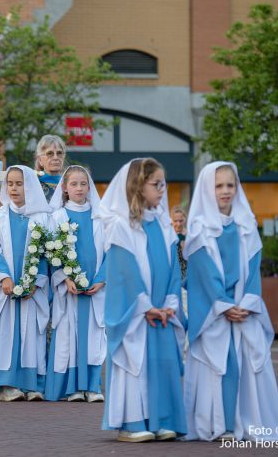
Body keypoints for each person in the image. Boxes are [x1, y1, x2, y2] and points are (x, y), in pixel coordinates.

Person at [182, 162, 278, 442]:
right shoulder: (200, 230)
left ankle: (249, 420)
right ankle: (221, 424)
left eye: (230, 185)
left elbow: (253, 268)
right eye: (219, 186)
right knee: (223, 364)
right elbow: (204, 273)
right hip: (214, 313)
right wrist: (224, 305)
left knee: (249, 363)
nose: (225, 191)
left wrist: (247, 303)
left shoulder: (246, 225)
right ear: (207, 190)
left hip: (243, 309)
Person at [98, 158, 186, 442]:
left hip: (162, 310)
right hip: (137, 313)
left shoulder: (163, 225)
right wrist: (145, 306)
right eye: (156, 184)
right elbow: (124, 273)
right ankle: (132, 423)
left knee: (161, 363)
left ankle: (162, 420)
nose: (162, 190)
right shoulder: (121, 226)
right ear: (138, 186)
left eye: (164, 184)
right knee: (135, 365)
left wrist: (170, 303)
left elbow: (173, 267)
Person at [0, 165, 52, 401]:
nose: (13, 188)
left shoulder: (42, 218)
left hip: (33, 290)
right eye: (10, 183)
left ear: (29, 186)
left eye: (19, 184)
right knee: (7, 334)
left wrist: (36, 281)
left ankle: (33, 385)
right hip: (7, 289)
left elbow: (46, 255)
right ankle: (7, 385)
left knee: (32, 335)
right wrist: (4, 277)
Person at [45, 166, 107, 402]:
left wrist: (101, 280)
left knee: (94, 336)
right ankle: (73, 388)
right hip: (70, 289)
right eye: (74, 184)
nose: (79, 188)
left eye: (83, 184)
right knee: (69, 336)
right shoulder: (58, 217)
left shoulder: (100, 217)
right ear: (64, 187)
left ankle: (92, 386)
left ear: (89, 187)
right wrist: (65, 277)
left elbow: (110, 251)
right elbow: (52, 253)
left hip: (95, 288)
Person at [35, 134, 67, 201]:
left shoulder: (70, 183)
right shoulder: (32, 183)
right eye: (50, 153)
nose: (55, 157)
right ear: (40, 160)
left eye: (59, 153)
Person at [172, 206, 188, 283]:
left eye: (181, 221)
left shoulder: (190, 235)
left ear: (185, 219)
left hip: (187, 275)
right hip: (173, 276)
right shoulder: (168, 237)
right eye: (175, 221)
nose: (178, 224)